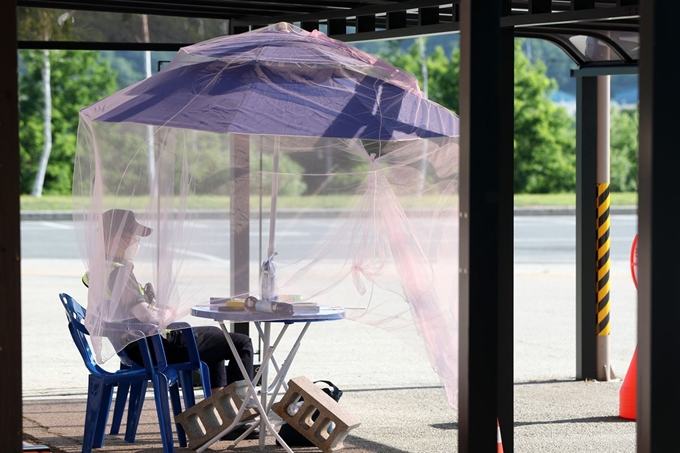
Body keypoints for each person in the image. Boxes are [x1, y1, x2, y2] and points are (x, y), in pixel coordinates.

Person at [83, 209, 257, 439]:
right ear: (115, 239)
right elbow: (148, 317)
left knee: (216, 341)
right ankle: (240, 411)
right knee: (240, 343)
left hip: (131, 346)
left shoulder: (101, 268)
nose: (136, 242)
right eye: (132, 236)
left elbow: (128, 310)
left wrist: (150, 302)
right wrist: (168, 311)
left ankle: (222, 418)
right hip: (152, 347)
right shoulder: (119, 272)